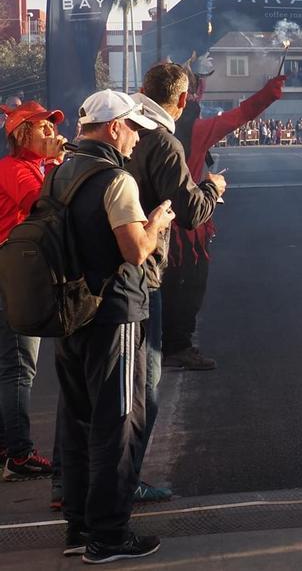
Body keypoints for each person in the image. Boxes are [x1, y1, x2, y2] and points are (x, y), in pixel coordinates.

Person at [56, 90, 174, 563]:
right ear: (113, 127)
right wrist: (159, 221)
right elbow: (134, 249)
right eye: (133, 129)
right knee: (119, 424)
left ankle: (79, 528)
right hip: (114, 313)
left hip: (69, 311)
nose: (136, 139)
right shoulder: (115, 180)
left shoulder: (61, 172)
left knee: (79, 422)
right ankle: (109, 536)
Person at [125, 62, 227, 503]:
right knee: (142, 390)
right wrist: (212, 189)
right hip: (137, 275)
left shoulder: (116, 134)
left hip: (98, 272)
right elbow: (189, 211)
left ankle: (75, 490)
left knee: (97, 392)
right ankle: (120, 489)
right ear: (182, 101)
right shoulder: (163, 141)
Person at [160, 65, 284, 370]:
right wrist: (268, 93)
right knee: (187, 287)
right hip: (184, 225)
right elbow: (240, 115)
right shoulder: (196, 130)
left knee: (159, 289)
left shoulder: (142, 125)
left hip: (149, 219)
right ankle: (178, 346)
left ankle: (160, 343)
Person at [0, 101, 66, 481]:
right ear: (22, 134)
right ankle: (20, 453)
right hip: (15, 275)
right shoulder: (17, 169)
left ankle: (10, 446)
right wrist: (57, 164)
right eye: (43, 128)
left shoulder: (27, 167)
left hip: (15, 272)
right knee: (19, 366)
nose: (52, 133)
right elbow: (41, 206)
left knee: (12, 364)